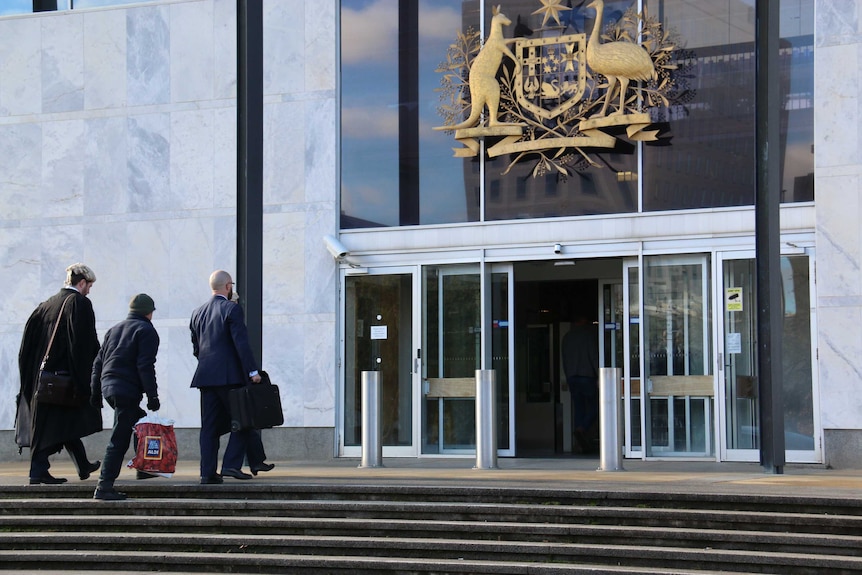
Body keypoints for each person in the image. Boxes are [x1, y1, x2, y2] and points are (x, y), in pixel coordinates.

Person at [16, 263, 103, 484]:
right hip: (63, 380)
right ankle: (37, 471)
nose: (89, 291)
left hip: (42, 380)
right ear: (81, 283)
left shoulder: (45, 306)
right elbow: (82, 344)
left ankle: (82, 465)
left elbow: (26, 348)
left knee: (63, 422)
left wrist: (29, 380)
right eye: (89, 286)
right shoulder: (79, 304)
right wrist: (88, 377)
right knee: (56, 424)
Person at [190, 270, 271, 484]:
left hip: (205, 378)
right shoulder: (231, 309)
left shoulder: (197, 312)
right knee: (244, 420)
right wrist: (253, 372)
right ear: (228, 286)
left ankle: (207, 473)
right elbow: (241, 344)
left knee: (209, 428)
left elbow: (196, 348)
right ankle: (230, 465)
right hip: (229, 377)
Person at [89, 294, 161, 501]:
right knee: (118, 439)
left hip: (109, 387)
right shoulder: (146, 330)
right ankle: (104, 486)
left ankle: (143, 466)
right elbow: (145, 366)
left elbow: (98, 364)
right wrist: (152, 395)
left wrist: (95, 392)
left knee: (138, 419)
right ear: (149, 312)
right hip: (126, 389)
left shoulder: (115, 329)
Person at [561, 314, 600, 454]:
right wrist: (599, 375)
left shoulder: (567, 337)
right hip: (587, 376)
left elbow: (564, 359)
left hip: (572, 376)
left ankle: (580, 433)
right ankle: (582, 428)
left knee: (579, 408)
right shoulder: (588, 336)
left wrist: (567, 375)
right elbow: (593, 356)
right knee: (596, 407)